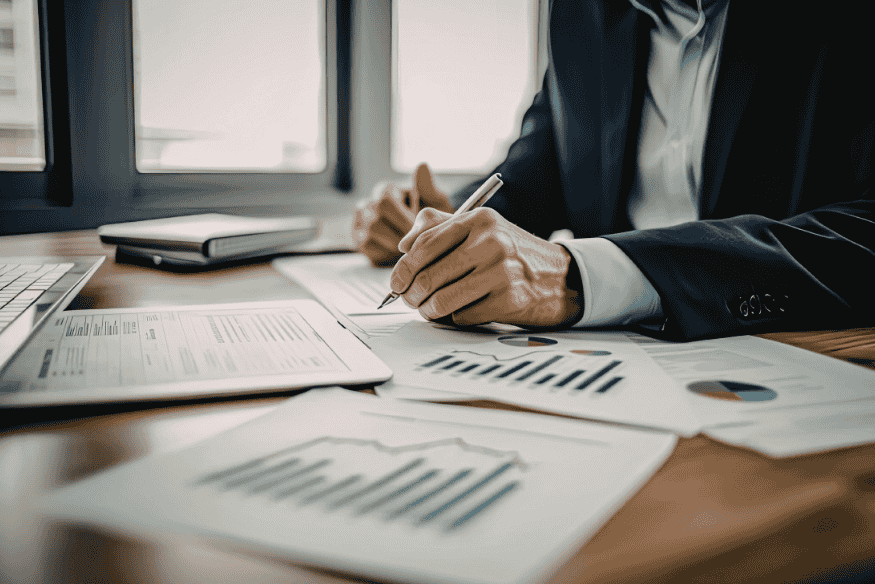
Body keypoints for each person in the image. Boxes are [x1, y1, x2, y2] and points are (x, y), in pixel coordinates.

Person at [352, 0, 874, 341]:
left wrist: (582, 277)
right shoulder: (584, 14)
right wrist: (432, 216)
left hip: (801, 355)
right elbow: (537, 174)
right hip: (610, 359)